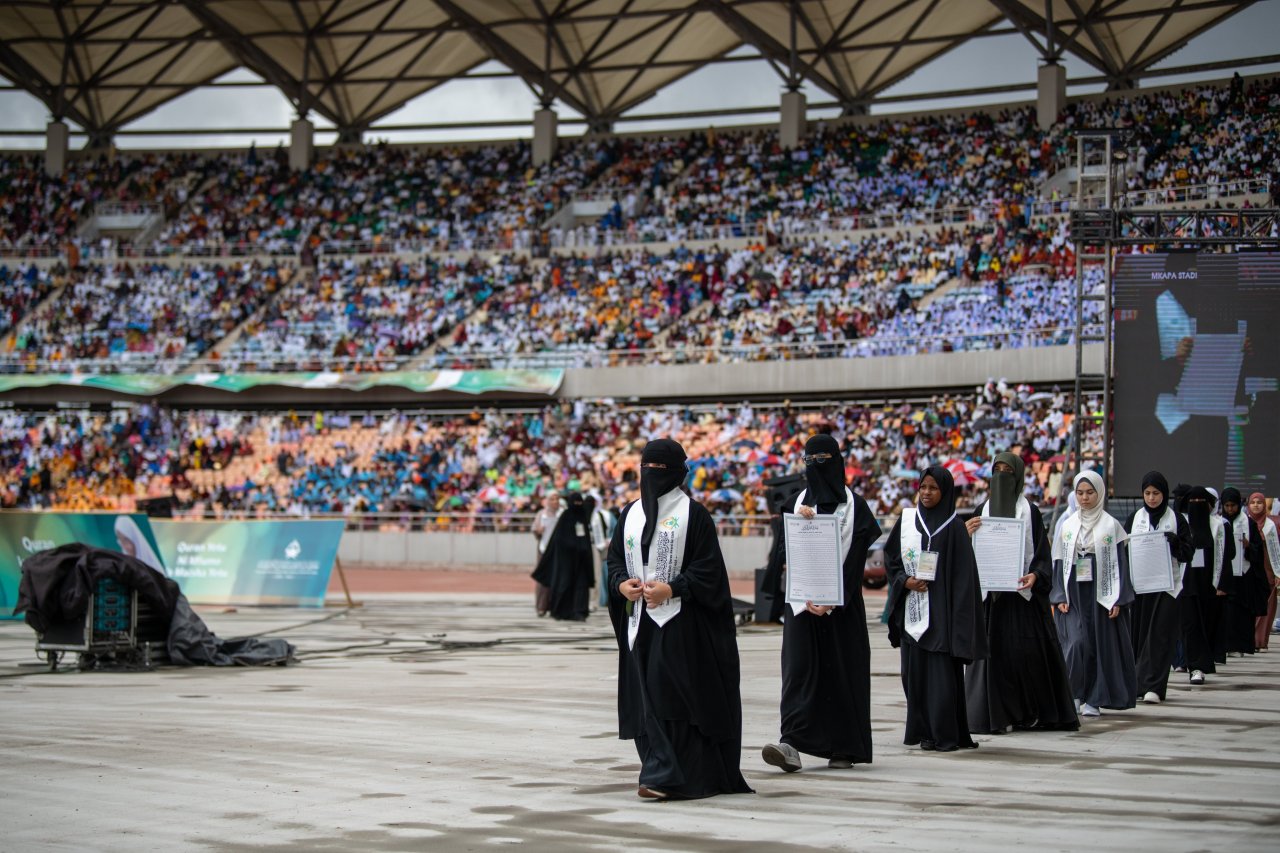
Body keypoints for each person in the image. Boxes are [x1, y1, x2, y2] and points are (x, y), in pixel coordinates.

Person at [606, 438, 752, 801]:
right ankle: (659, 771)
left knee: (671, 696)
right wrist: (621, 584)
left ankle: (672, 775)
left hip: (681, 625)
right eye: (647, 468)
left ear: (678, 473)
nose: (652, 475)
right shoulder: (630, 513)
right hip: (639, 622)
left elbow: (710, 571)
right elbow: (613, 560)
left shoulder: (695, 515)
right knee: (647, 694)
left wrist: (672, 589)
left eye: (660, 469)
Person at [761, 434, 881, 772]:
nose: (816, 467)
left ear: (838, 462)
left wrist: (832, 599)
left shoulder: (857, 507)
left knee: (842, 674)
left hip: (842, 609)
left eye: (823, 460)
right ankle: (792, 743)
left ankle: (843, 747)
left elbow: (856, 561)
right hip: (801, 605)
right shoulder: (796, 503)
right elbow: (783, 553)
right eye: (810, 461)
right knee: (799, 672)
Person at [963, 452, 1078, 734]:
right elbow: (964, 558)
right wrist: (964, 534)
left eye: (1008, 471)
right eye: (997, 470)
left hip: (1022, 602)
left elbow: (1041, 554)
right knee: (992, 658)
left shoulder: (1031, 512)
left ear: (1018, 476)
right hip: (991, 601)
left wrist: (1035, 575)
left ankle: (1030, 713)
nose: (1002, 476)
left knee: (1026, 657)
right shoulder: (981, 511)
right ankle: (994, 716)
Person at [885, 465, 987, 752]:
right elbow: (892, 560)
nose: (927, 493)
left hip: (942, 617)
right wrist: (905, 581)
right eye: (923, 487)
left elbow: (965, 580)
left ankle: (946, 734)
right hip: (913, 613)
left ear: (945, 492)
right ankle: (925, 732)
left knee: (941, 680)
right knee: (913, 678)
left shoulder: (954, 527)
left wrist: (958, 622)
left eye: (933, 488)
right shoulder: (907, 521)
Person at [1050, 471, 1136, 716]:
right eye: (1080, 493)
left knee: (1099, 644)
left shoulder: (1111, 525)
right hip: (1074, 592)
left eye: (1089, 492)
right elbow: (1058, 561)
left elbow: (1121, 562)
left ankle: (1094, 699)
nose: (1084, 498)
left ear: (1099, 493)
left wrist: (1119, 598)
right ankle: (1074, 692)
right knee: (1075, 643)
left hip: (1102, 591)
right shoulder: (1067, 525)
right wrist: (1059, 595)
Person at [1124, 471, 1193, 704]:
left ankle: (1155, 686)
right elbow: (1124, 551)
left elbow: (1188, 552)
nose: (1152, 498)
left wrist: (1175, 543)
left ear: (1164, 494)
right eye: (1147, 493)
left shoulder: (1177, 519)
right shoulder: (1135, 518)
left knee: (1161, 636)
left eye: (1156, 493)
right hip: (1141, 587)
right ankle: (1137, 684)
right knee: (1140, 636)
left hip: (1168, 586)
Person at [1180, 486, 1233, 683]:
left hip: (1209, 585)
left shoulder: (1218, 525)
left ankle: (1205, 661)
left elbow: (1224, 555)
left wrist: (1222, 583)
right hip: (1187, 585)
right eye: (1192, 503)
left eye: (1200, 503)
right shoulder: (1183, 524)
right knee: (1191, 625)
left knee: (1207, 624)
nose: (1196, 507)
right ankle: (1196, 667)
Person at [531, 492, 595, 621]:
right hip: (566, 561)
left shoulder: (582, 516)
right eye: (575, 502)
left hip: (581, 560)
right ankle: (560, 610)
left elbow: (586, 538)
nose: (577, 505)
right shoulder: (566, 516)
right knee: (564, 584)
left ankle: (580, 611)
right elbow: (559, 540)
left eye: (579, 502)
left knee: (581, 586)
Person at [1221, 488, 1268, 656]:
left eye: (1233, 505)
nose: (1230, 509)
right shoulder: (1219, 522)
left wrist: (1249, 546)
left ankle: (1240, 646)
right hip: (1225, 574)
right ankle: (1225, 646)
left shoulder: (1249, 523)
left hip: (1244, 574)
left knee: (1241, 612)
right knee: (1225, 612)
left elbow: (1258, 551)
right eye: (1227, 505)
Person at [1247, 493, 1280, 651]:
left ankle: (1260, 640)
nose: (1256, 505)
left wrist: (1278, 572)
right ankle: (1248, 638)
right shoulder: (1243, 522)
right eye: (1252, 502)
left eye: (1259, 502)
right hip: (1249, 568)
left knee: (1267, 604)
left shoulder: (1269, 525)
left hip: (1267, 568)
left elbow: (1275, 550)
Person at [531, 492, 562, 616]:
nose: (555, 501)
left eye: (557, 499)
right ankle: (541, 606)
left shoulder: (562, 514)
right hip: (544, 550)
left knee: (558, 579)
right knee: (543, 579)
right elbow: (535, 529)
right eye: (552, 499)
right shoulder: (541, 514)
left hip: (558, 551)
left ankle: (555, 606)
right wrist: (539, 531)